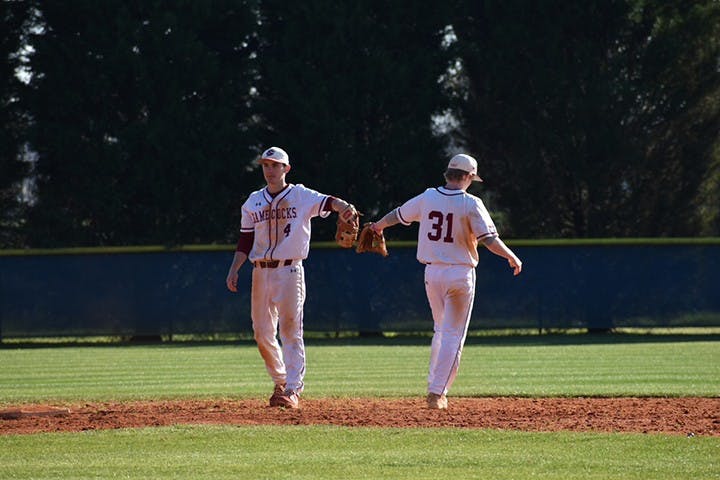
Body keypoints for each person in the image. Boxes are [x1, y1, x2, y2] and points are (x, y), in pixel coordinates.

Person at [369, 153, 522, 409]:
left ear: (448, 173)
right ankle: (437, 392)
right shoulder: (471, 203)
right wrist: (511, 256)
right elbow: (489, 239)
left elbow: (398, 214)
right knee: (453, 335)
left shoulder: (428, 196)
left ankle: (434, 384)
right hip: (460, 274)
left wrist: (378, 227)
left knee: (441, 330)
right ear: (469, 176)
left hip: (432, 273)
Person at [226, 146, 358, 409]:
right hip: (260, 272)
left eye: (275, 165)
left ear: (286, 169)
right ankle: (281, 380)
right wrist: (234, 267)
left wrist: (343, 206)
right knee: (261, 333)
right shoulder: (253, 201)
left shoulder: (300, 194)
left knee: (290, 330)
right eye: (266, 165)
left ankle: (293, 390)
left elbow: (329, 202)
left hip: (289, 271)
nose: (270, 170)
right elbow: (245, 239)